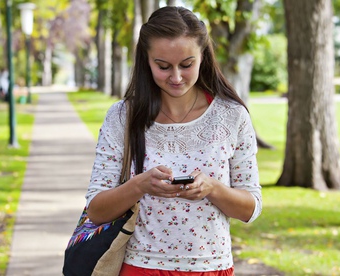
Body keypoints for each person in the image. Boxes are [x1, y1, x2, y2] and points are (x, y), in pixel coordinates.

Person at [85, 6, 262, 275]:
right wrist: (140, 185)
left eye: (187, 65)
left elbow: (251, 208)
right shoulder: (122, 116)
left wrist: (213, 188)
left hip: (212, 267)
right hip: (141, 267)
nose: (176, 77)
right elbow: (96, 210)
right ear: (146, 61)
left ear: (203, 57)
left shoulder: (231, 116)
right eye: (163, 66)